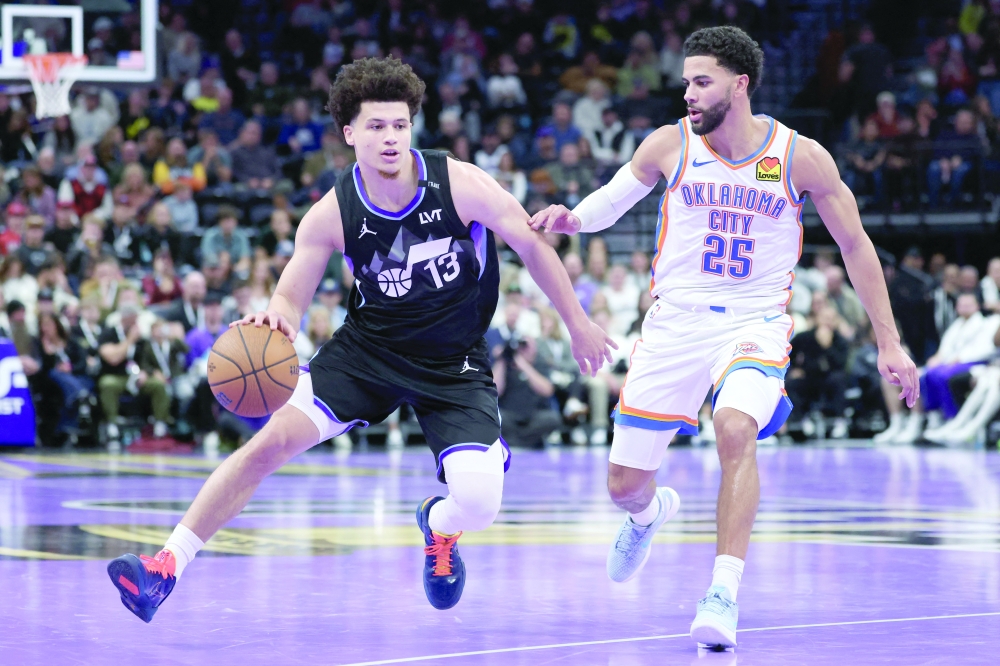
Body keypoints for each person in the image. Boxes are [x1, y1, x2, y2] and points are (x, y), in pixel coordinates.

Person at [108, 56, 614, 622]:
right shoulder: (330, 215)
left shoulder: (460, 183)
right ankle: (164, 568)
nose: (391, 137)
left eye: (400, 125)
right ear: (349, 133)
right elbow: (288, 301)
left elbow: (532, 245)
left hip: (453, 362)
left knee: (481, 502)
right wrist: (272, 321)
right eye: (376, 126)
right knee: (266, 446)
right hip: (367, 353)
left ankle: (439, 526)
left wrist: (577, 323)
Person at [529, 26, 918, 649]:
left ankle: (723, 591)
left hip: (753, 322)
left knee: (735, 427)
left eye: (701, 81)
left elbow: (855, 245)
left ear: (739, 85)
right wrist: (572, 218)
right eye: (686, 80)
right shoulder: (669, 144)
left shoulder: (798, 156)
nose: (688, 92)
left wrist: (888, 341)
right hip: (675, 322)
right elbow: (612, 200)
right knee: (624, 484)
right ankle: (649, 513)